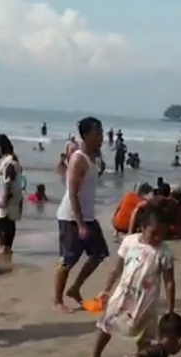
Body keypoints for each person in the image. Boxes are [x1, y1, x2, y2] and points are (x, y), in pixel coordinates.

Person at [89, 203, 176, 357]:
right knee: (105, 327)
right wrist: (106, 290)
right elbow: (116, 269)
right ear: (143, 227)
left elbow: (169, 282)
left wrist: (170, 309)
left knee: (145, 339)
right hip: (122, 296)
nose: (158, 237)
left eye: (163, 234)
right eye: (154, 233)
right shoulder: (129, 242)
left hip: (146, 301)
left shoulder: (165, 252)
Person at [54, 117, 110, 313]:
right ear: (86, 135)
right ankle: (57, 301)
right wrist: (80, 224)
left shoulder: (93, 158)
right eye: (97, 133)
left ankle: (75, 288)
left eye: (102, 132)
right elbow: (73, 193)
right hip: (71, 217)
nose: (101, 136)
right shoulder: (79, 158)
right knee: (67, 260)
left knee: (99, 253)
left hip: (87, 215)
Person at [0, 134, 24, 259]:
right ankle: (6, 247)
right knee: (8, 223)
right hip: (12, 196)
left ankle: (6, 248)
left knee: (6, 223)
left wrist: (4, 198)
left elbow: (8, 181)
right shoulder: (11, 160)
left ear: (2, 147)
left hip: (9, 197)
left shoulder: (10, 162)